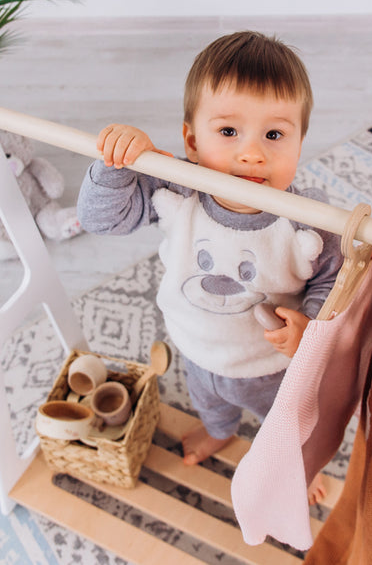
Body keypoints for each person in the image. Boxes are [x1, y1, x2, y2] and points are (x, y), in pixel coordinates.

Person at [77, 31, 343, 498]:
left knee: (293, 421)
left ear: (300, 142)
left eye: (275, 135)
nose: (252, 153)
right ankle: (221, 431)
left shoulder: (309, 220)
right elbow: (101, 220)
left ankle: (303, 465)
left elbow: (333, 279)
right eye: (228, 132)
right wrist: (118, 164)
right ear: (192, 140)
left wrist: (311, 325)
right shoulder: (178, 189)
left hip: (270, 366)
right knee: (209, 403)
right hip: (196, 349)